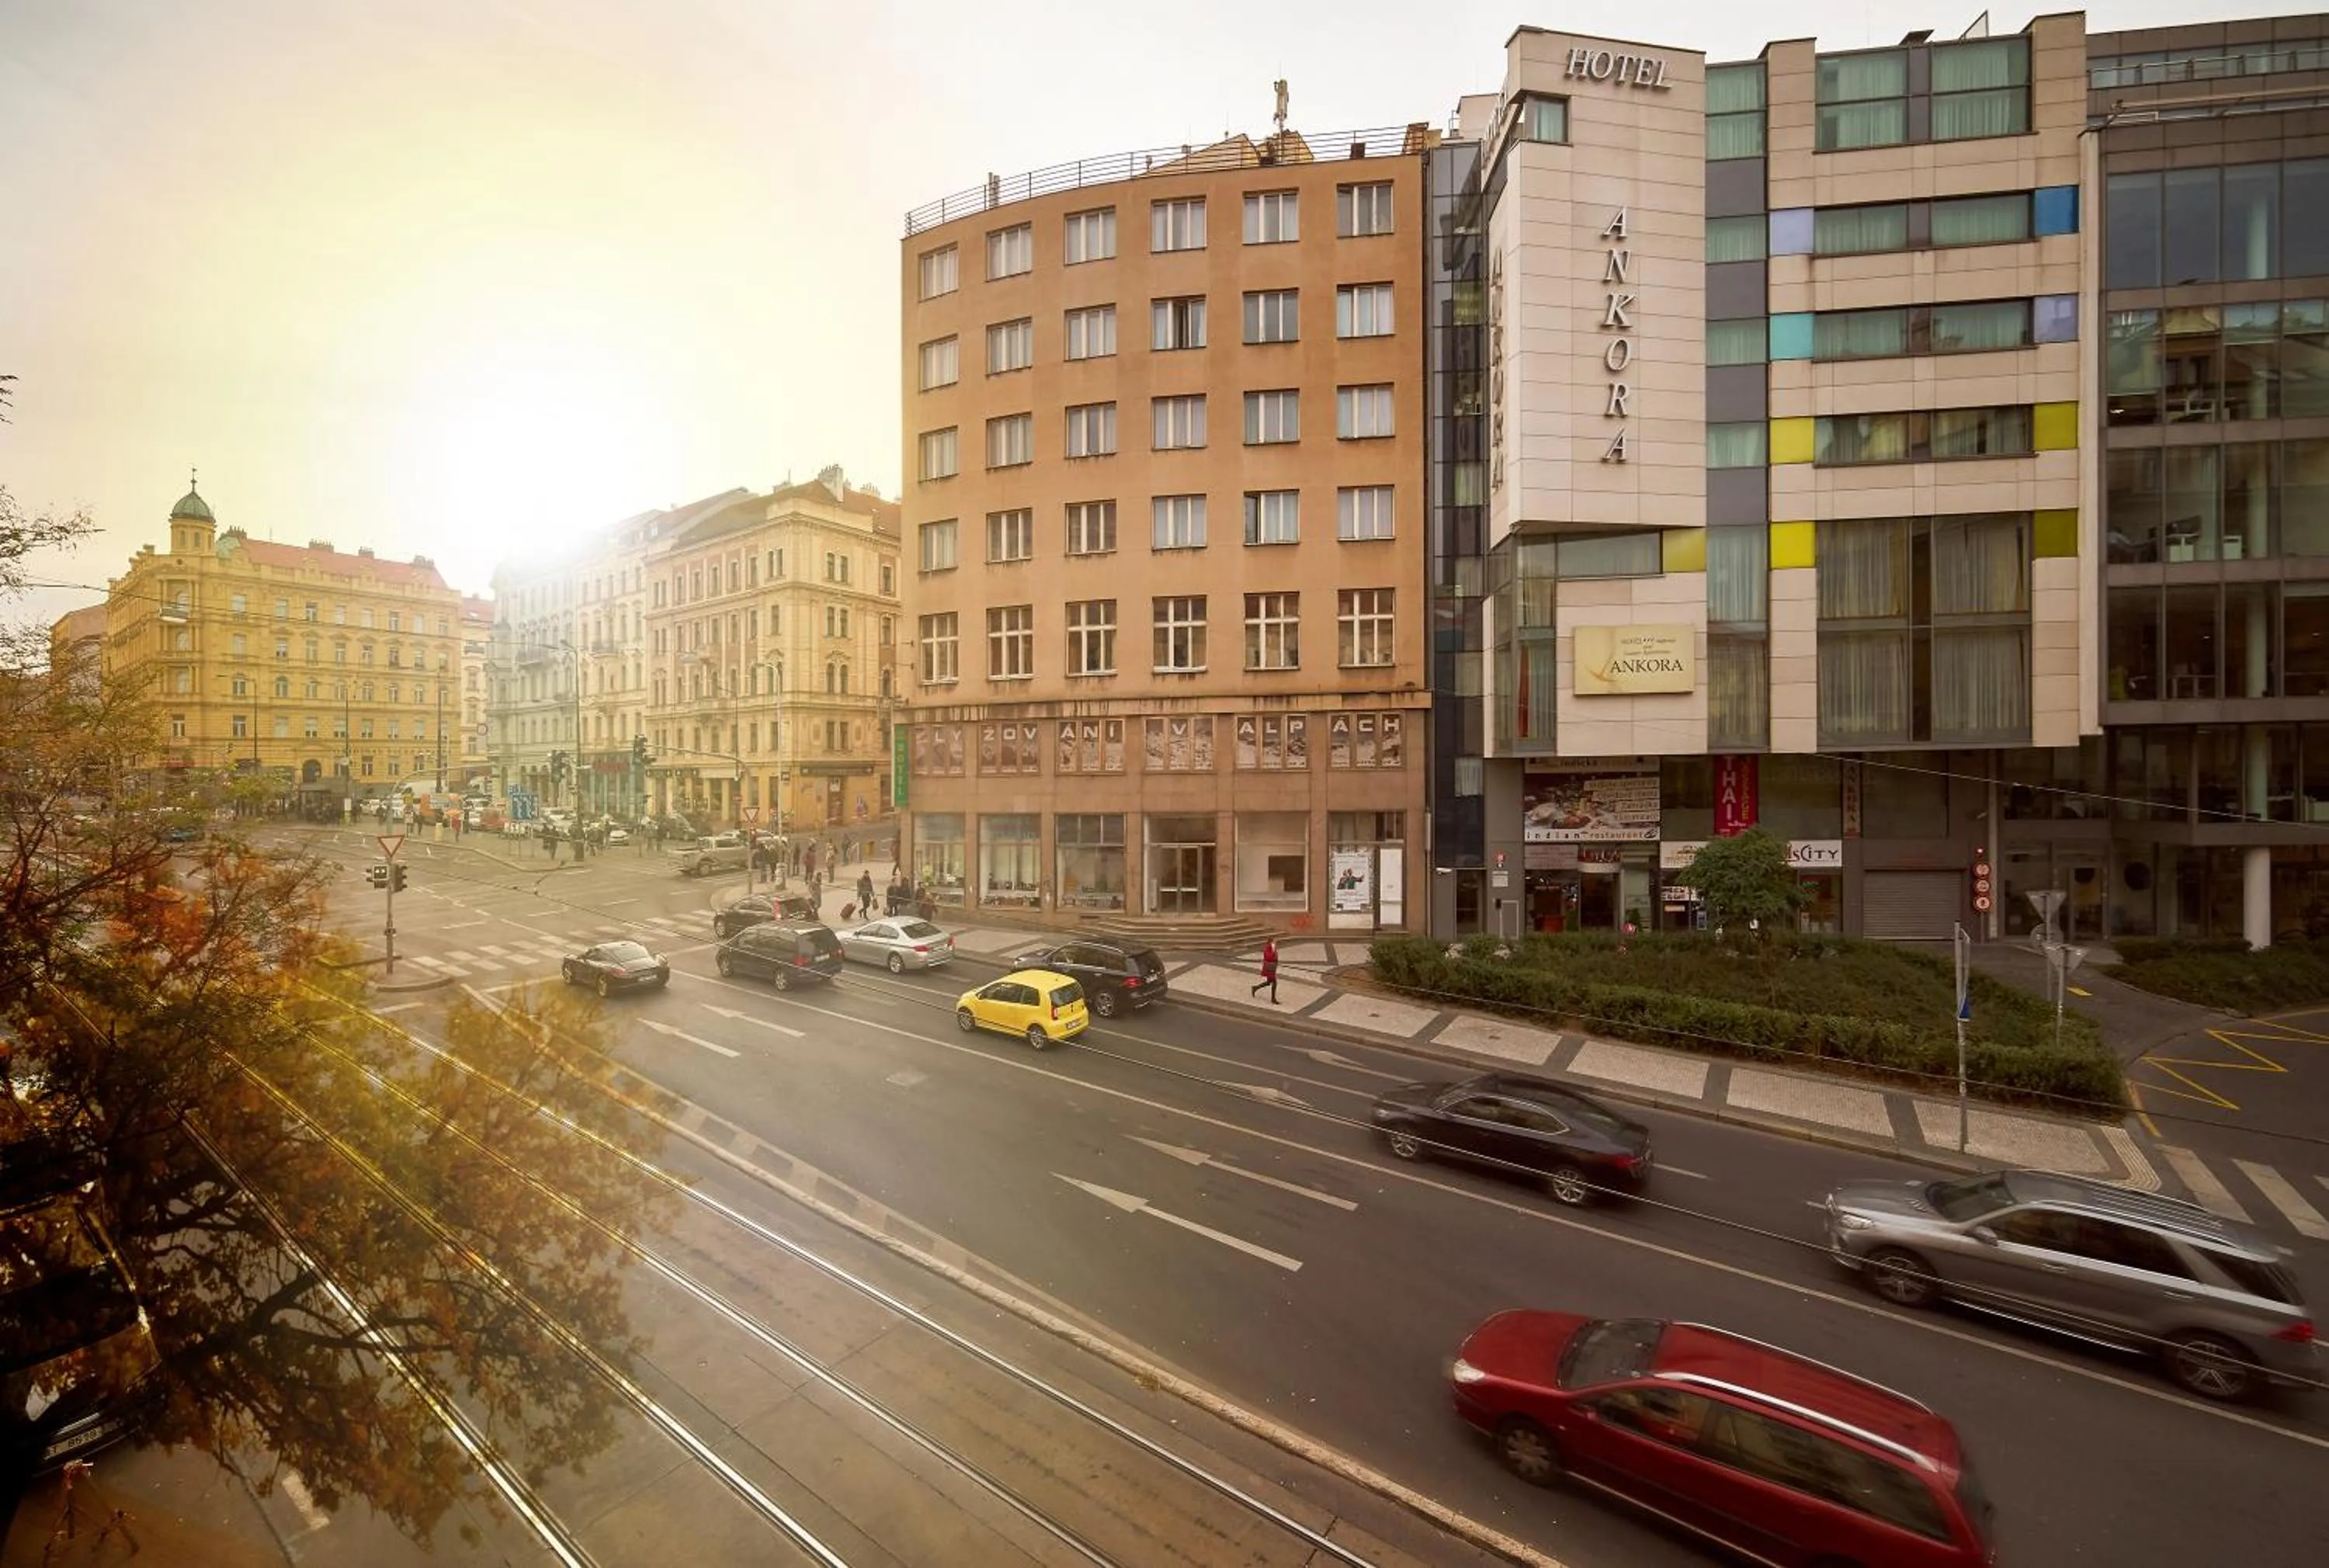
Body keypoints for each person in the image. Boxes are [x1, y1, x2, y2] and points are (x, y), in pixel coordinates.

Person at [1250, 937, 1280, 1005]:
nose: (1275, 943)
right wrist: (1273, 951)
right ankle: (1273, 999)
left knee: (1269, 982)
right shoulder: (1268, 948)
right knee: (1274, 983)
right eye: (1274, 941)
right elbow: (1269, 956)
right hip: (1269, 967)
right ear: (1270, 942)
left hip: (1272, 967)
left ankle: (1255, 988)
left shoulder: (1272, 948)